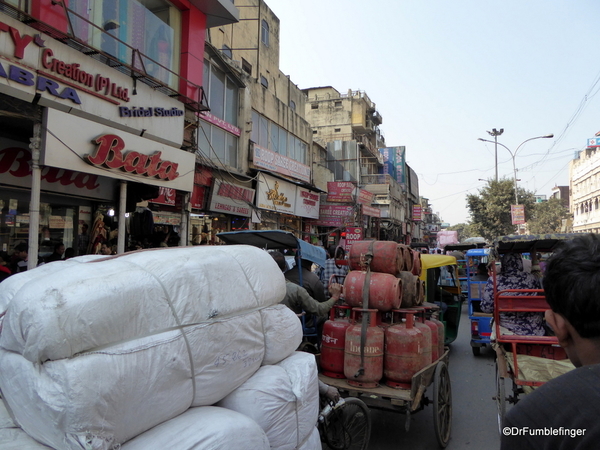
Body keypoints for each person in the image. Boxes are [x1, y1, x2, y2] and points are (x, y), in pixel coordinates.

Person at [501, 234, 600, 449]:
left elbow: (487, 303)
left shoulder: (528, 420)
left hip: (511, 331)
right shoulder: (531, 280)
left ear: (559, 327)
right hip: (535, 330)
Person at [481, 253, 544, 336]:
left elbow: (486, 308)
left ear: (503, 264)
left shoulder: (494, 280)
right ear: (520, 263)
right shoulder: (532, 278)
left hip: (507, 332)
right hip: (536, 331)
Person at [271, 251, 341, 318]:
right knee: (323, 316)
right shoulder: (298, 288)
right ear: (284, 267)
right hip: (300, 320)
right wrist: (334, 297)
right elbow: (320, 308)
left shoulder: (262, 287)